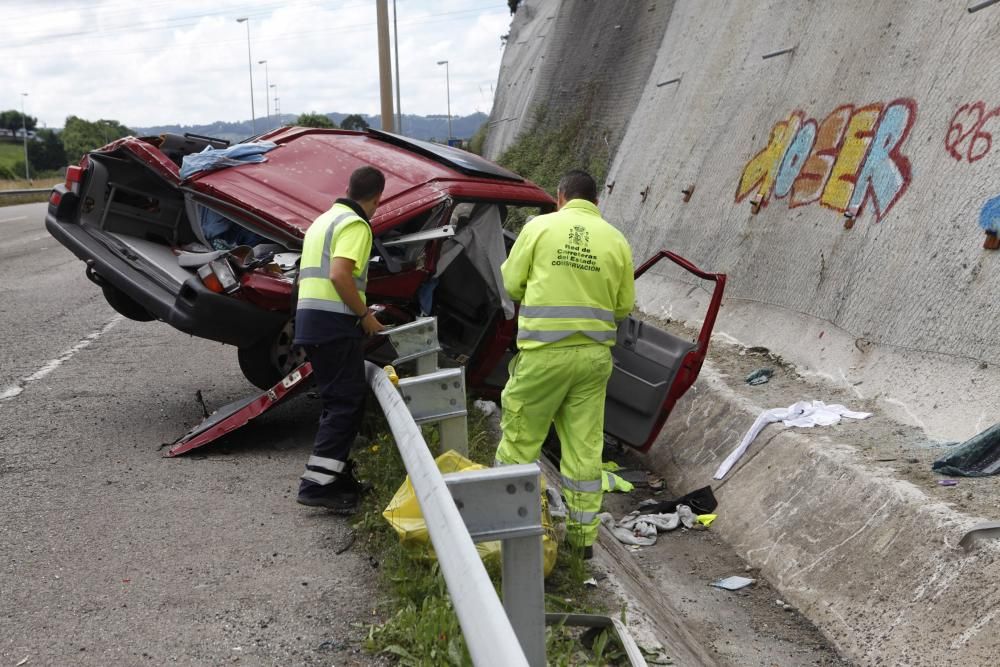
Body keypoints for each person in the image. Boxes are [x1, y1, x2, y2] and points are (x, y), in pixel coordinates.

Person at [494, 169, 635, 557]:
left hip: (544, 356)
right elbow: (623, 306)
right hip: (593, 360)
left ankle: (510, 526)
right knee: (585, 449)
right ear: (596, 203)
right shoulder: (616, 240)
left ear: (560, 197)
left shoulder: (540, 228)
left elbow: (511, 283)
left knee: (521, 438)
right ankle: (583, 541)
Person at [294, 166, 386, 513]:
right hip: (333, 323)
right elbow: (339, 274)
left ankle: (332, 476)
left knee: (338, 401)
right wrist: (365, 316)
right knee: (346, 402)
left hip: (312, 320)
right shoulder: (356, 225)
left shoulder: (323, 221)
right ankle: (316, 487)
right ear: (377, 198)